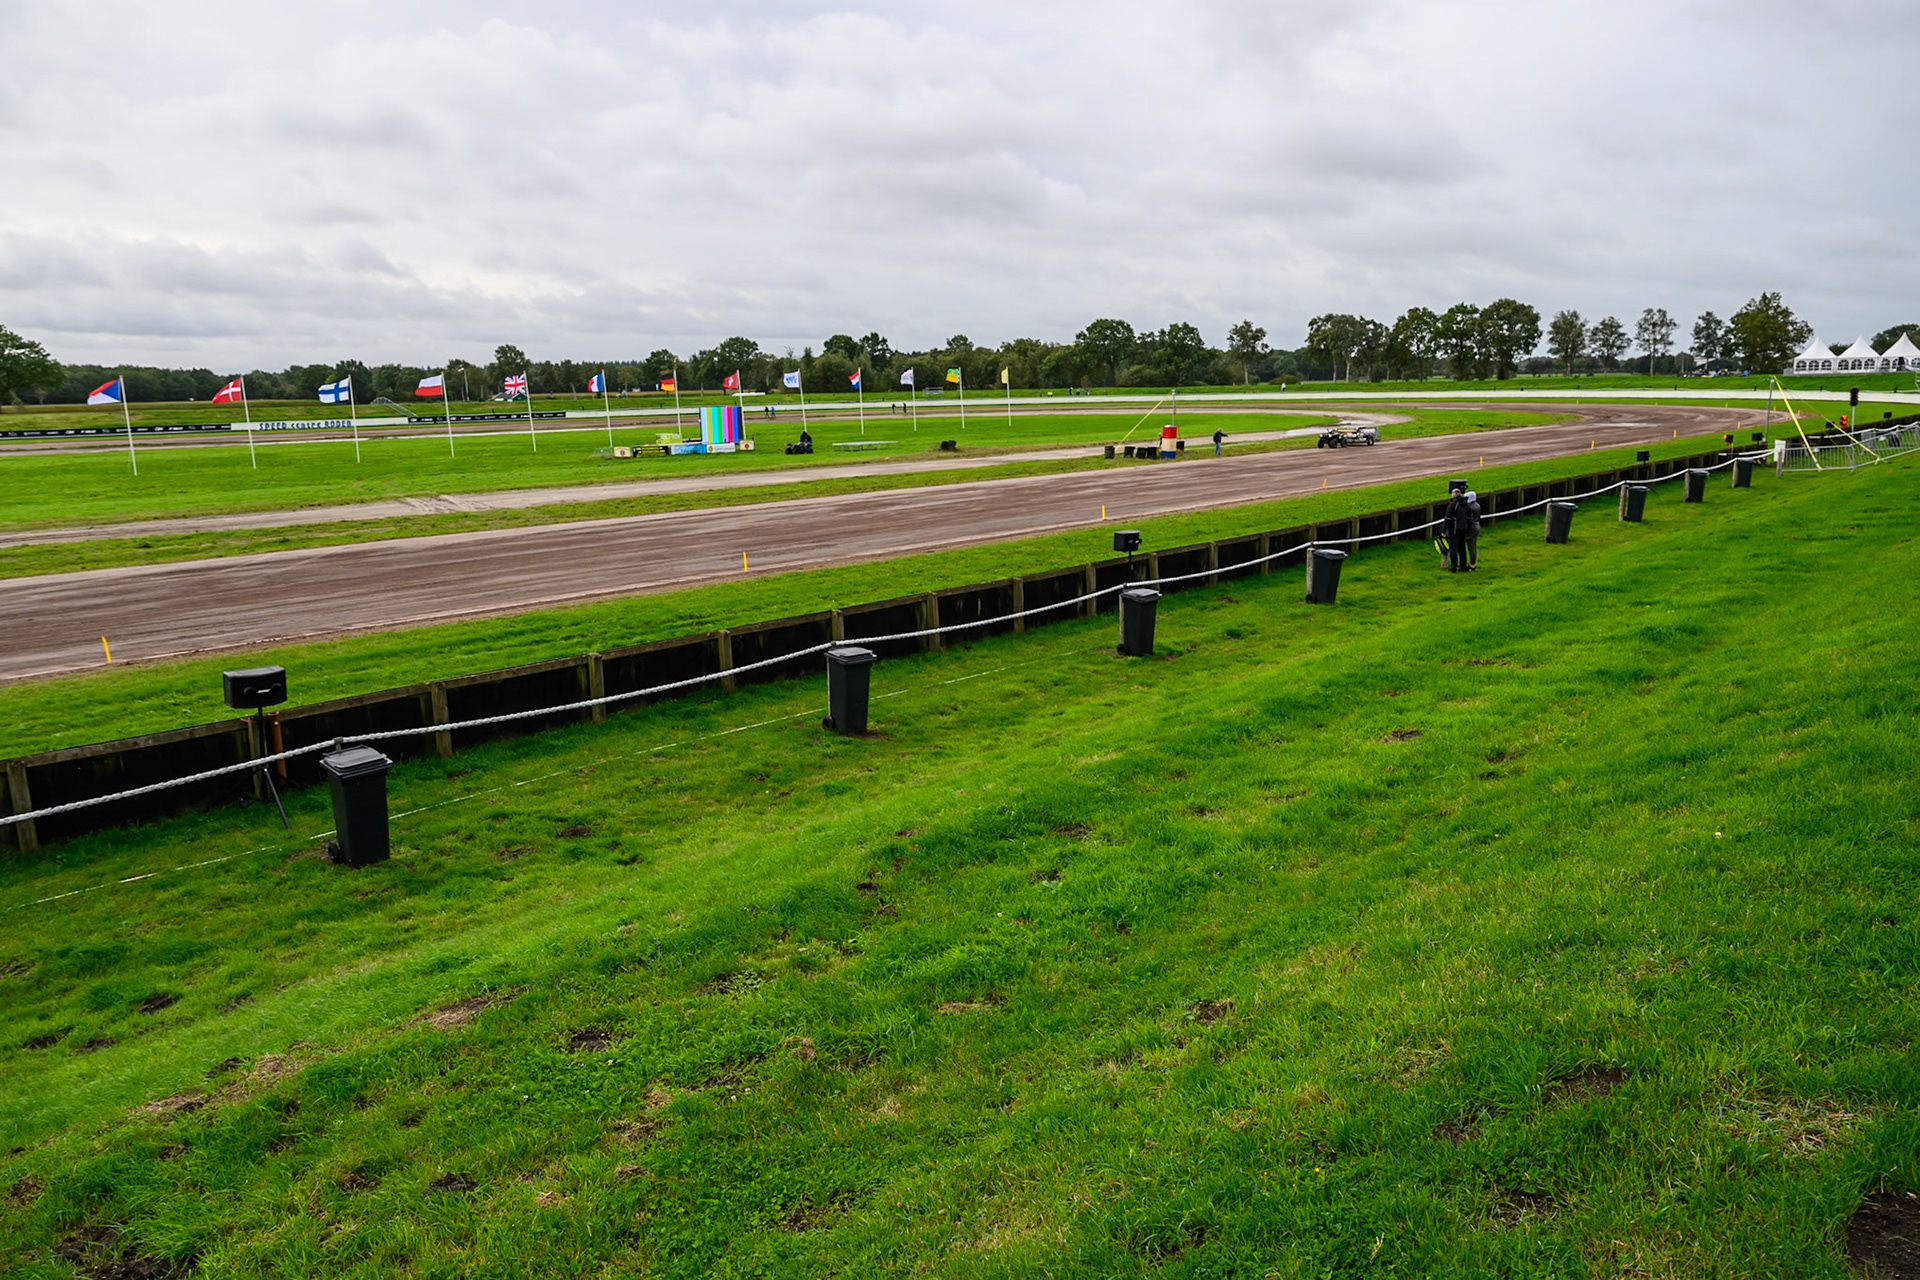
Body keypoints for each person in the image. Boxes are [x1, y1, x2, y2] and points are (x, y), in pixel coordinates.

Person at [1444, 487, 1471, 573]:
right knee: (1462, 548)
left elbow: (1448, 518)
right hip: (1463, 528)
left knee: (1453, 549)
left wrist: (1443, 530)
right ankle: (1463, 566)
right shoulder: (1466, 503)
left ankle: (1454, 567)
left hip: (1454, 529)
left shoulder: (1453, 504)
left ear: (1453, 495)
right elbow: (1469, 516)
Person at [1463, 490, 1482, 570]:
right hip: (1477, 526)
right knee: (1473, 546)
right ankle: (1472, 564)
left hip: (1470, 528)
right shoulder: (1477, 505)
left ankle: (1463, 564)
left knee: (1463, 545)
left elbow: (1468, 519)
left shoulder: (1469, 507)